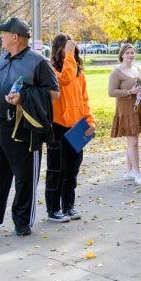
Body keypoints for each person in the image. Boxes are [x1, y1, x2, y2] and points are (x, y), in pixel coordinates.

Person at [0, 18, 59, 238]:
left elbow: (54, 95)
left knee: (25, 177)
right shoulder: (1, 58)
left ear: (15, 37)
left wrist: (24, 97)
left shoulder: (38, 62)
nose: (0, 36)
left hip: (24, 130)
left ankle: (22, 221)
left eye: (3, 33)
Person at [45, 35, 95, 223]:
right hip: (57, 126)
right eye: (67, 49)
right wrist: (68, 55)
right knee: (56, 170)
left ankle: (68, 206)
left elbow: (84, 100)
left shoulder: (79, 73)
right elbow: (64, 79)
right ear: (59, 49)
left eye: (73, 49)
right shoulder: (51, 71)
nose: (71, 52)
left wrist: (90, 122)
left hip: (77, 127)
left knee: (72, 170)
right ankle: (53, 209)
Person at [108, 43, 141, 185]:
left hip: (138, 107)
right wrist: (129, 92)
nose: (131, 55)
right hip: (125, 109)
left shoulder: (137, 69)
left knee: (132, 141)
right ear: (122, 55)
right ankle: (138, 173)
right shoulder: (116, 72)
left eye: (132, 52)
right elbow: (111, 92)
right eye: (127, 52)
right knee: (133, 141)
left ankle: (129, 171)